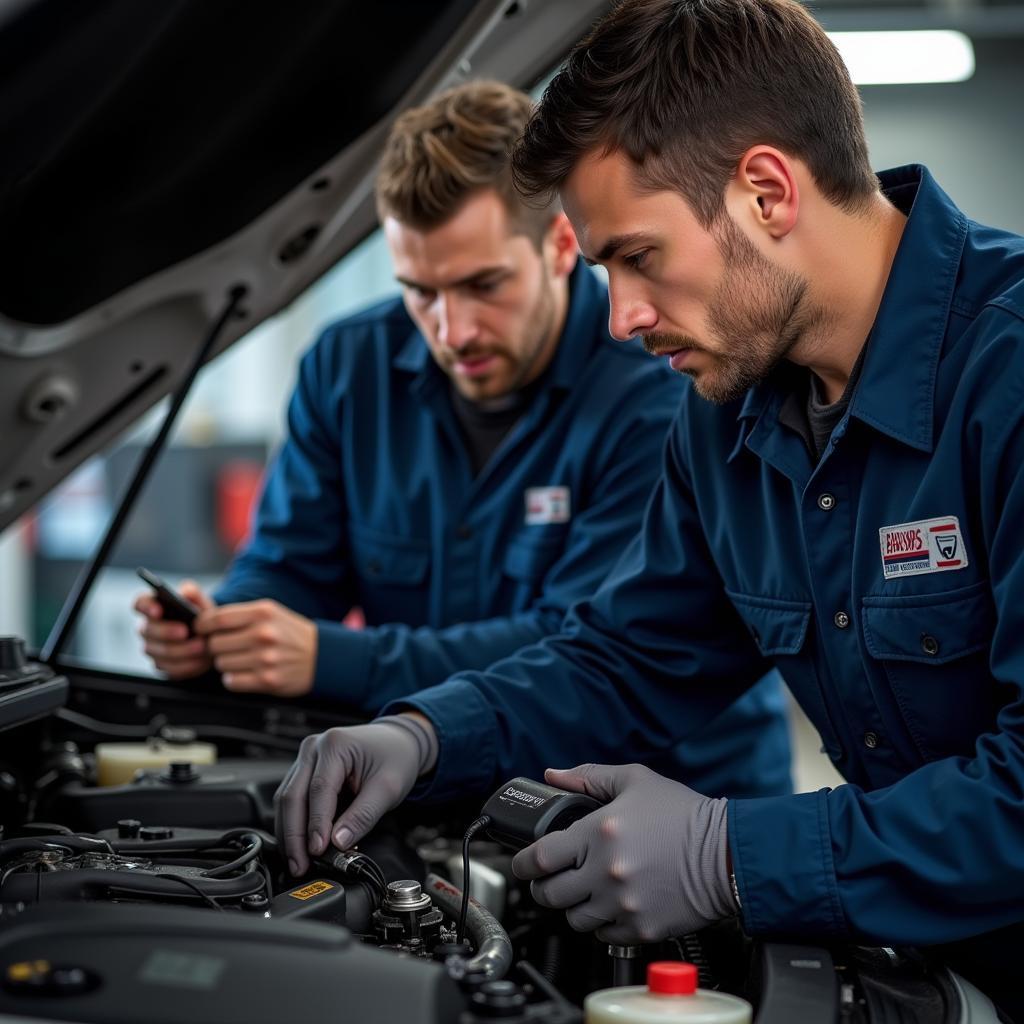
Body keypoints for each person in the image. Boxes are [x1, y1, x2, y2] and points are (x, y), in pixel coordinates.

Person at [275, 2, 1024, 1016]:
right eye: (602, 272)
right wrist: (421, 736)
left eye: (638, 257)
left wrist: (731, 853)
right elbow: (626, 654)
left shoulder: (1007, 378)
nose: (621, 318)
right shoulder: (724, 415)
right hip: (930, 961)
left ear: (765, 190)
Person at [134, 79, 791, 802]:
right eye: (421, 290)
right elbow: (291, 567)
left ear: (562, 245)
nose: (453, 330)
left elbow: (586, 653)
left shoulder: (663, 385)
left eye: (484, 285)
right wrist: (229, 633)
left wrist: (332, 659)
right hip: (440, 784)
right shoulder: (347, 369)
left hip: (664, 804)